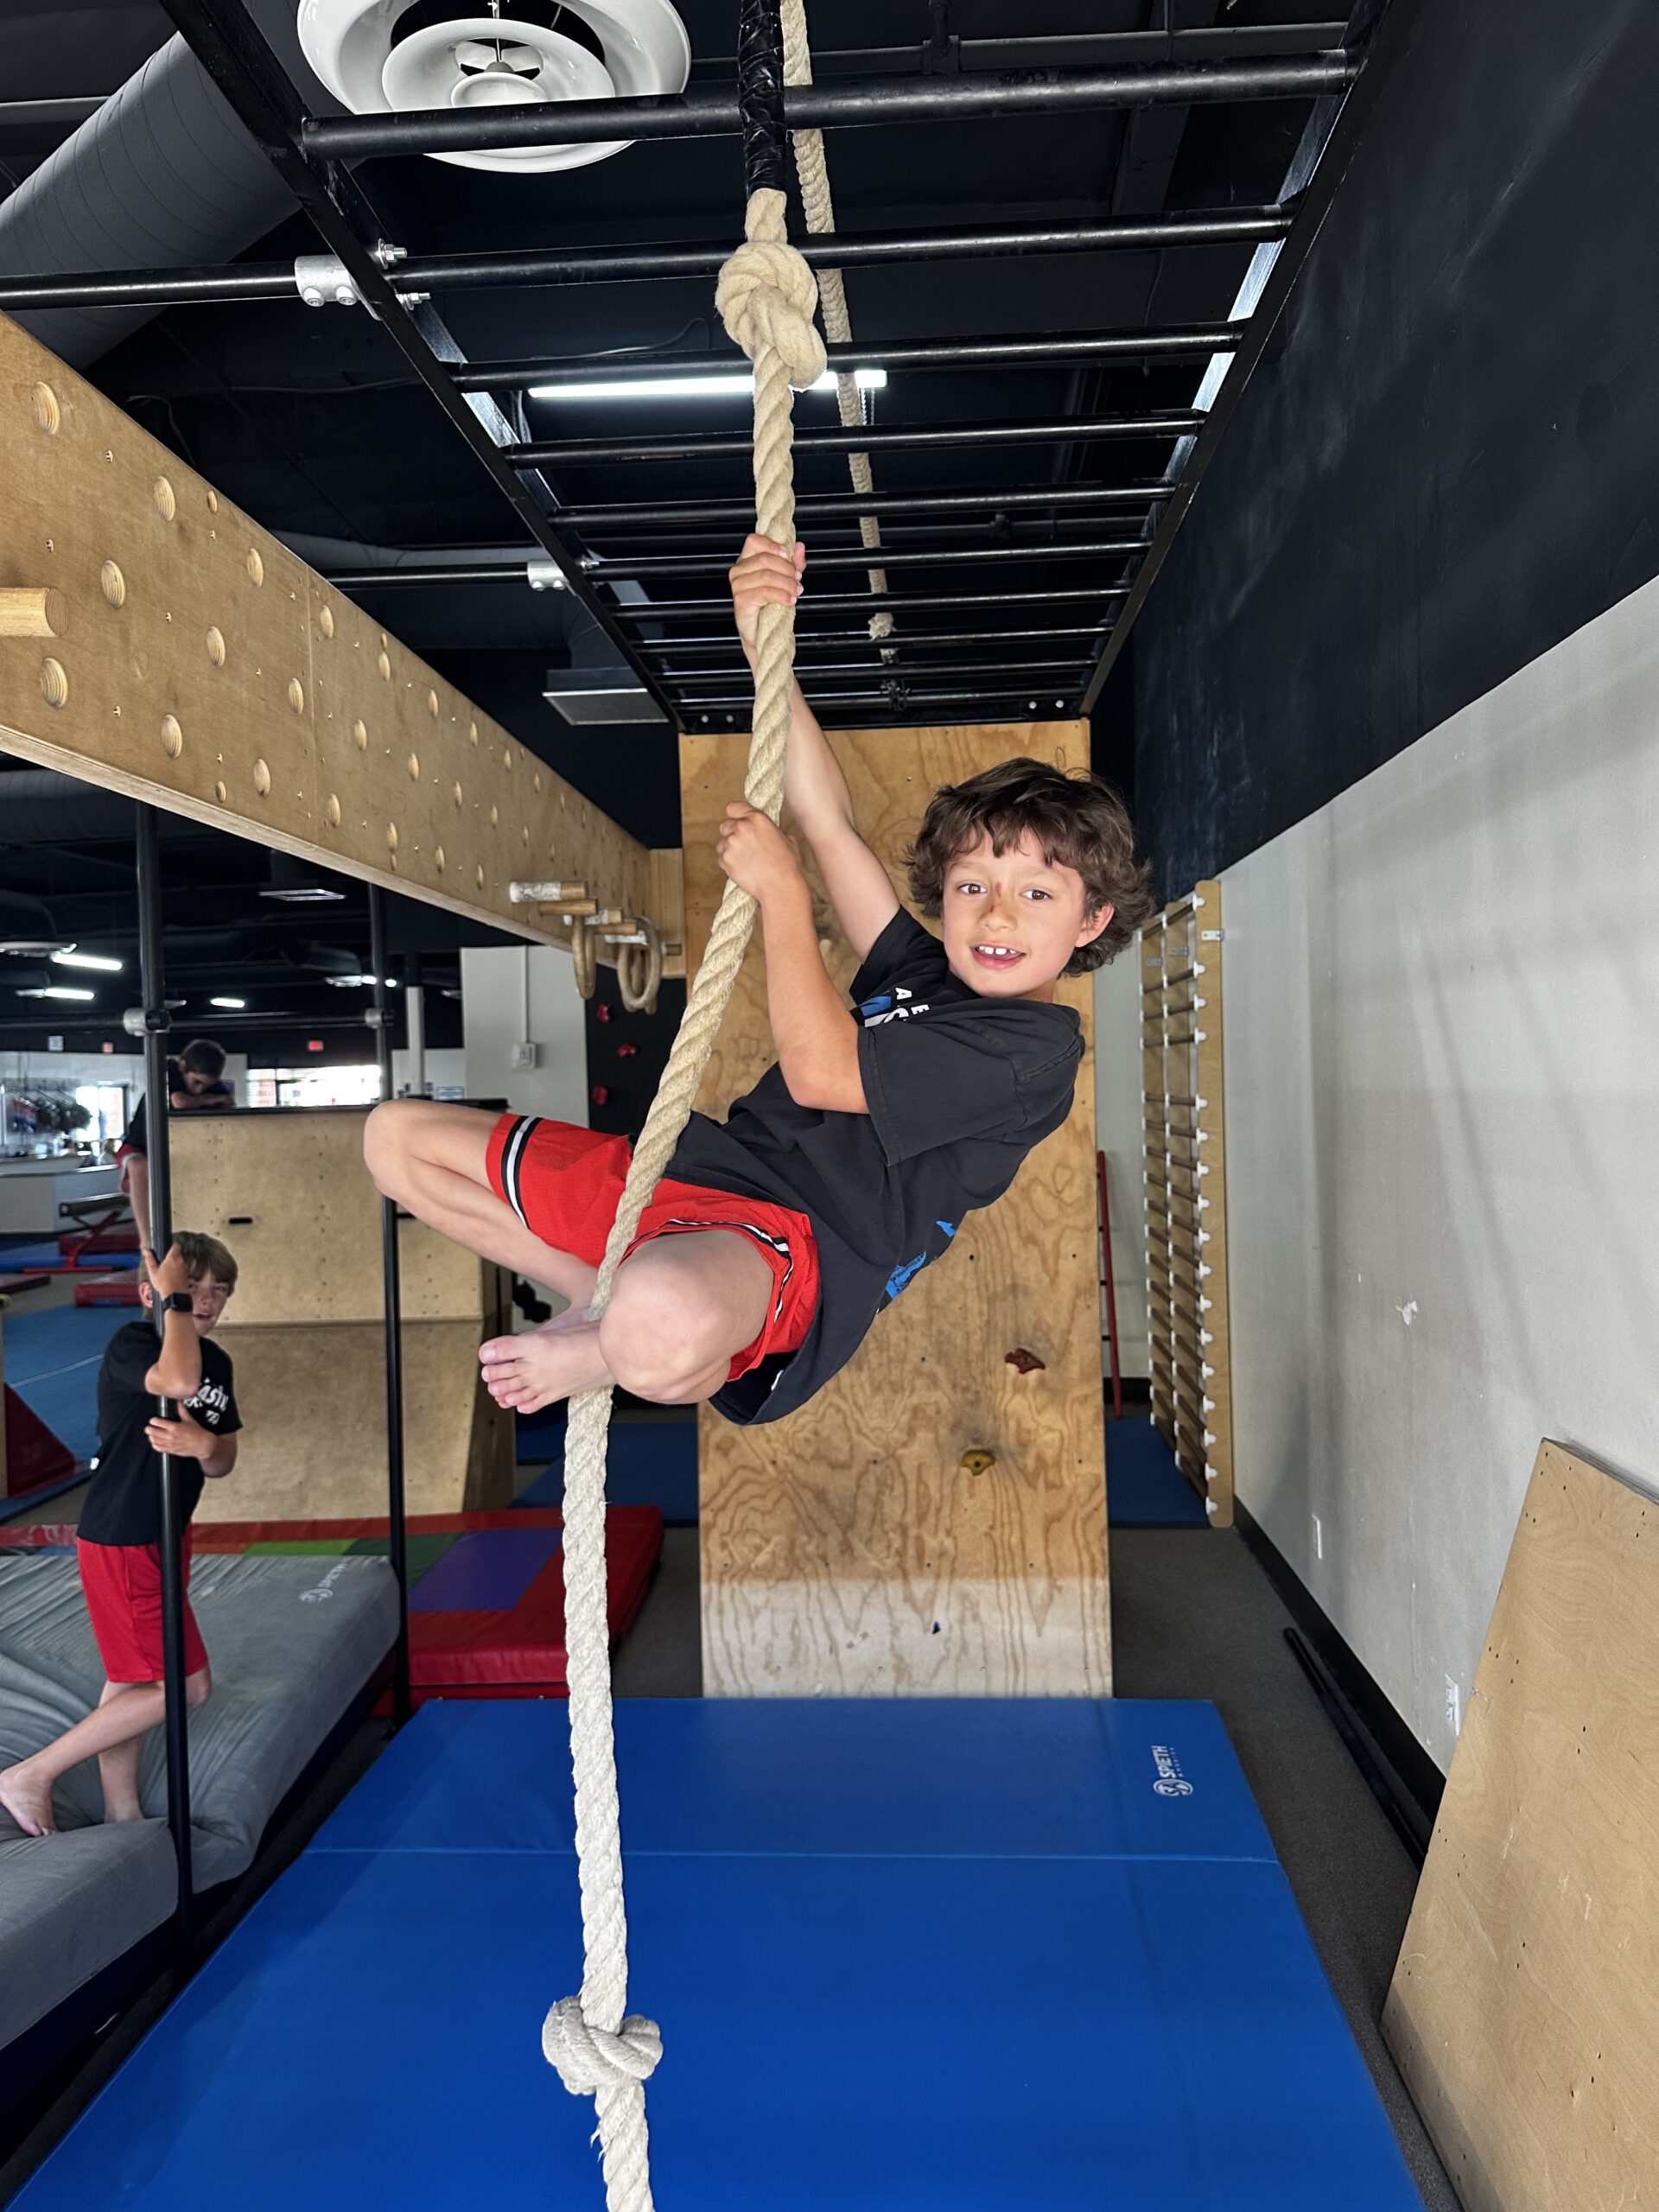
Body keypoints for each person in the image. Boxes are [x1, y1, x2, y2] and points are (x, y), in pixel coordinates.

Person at [364, 534, 1154, 1429]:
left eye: (1037, 894)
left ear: (1091, 922)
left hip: (790, 1242)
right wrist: (761, 642)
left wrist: (781, 894)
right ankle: (594, 1298)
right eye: (974, 886)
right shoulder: (925, 973)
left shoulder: (1029, 1055)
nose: (997, 915)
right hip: (688, 1179)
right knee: (397, 1141)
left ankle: (608, 1341)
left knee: (660, 1326)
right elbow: (827, 823)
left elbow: (824, 1074)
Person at [0, 1234, 241, 1836]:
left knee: (132, 1679)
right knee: (187, 1686)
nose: (206, 1301)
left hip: (166, 1533)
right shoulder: (135, 1343)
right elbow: (178, 1382)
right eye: (193, 1290)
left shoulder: (219, 1362)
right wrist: (173, 1303)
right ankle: (32, 1774)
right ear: (150, 1295)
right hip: (127, 1536)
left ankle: (121, 1808)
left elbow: (223, 1455)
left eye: (220, 1291)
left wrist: (205, 1445)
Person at [118, 1038, 235, 1244]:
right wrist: (210, 1100)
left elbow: (230, 1106)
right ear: (183, 1066)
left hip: (176, 1152)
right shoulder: (167, 1073)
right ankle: (147, 1242)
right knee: (138, 1166)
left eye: (206, 1086)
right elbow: (178, 1101)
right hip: (139, 1148)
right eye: (196, 1082)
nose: (199, 1090)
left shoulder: (211, 1086)